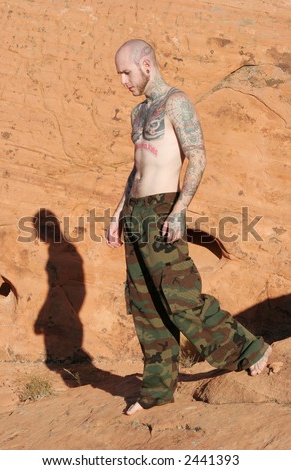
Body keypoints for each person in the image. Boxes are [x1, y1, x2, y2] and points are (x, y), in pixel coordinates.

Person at [106, 39, 272, 416]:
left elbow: (196, 156)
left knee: (180, 298)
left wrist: (180, 209)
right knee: (145, 305)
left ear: (146, 65)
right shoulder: (138, 113)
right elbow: (137, 169)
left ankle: (250, 349)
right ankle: (157, 392)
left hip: (164, 207)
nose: (122, 81)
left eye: (126, 72)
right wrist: (119, 212)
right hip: (136, 211)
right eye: (119, 74)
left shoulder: (176, 102)